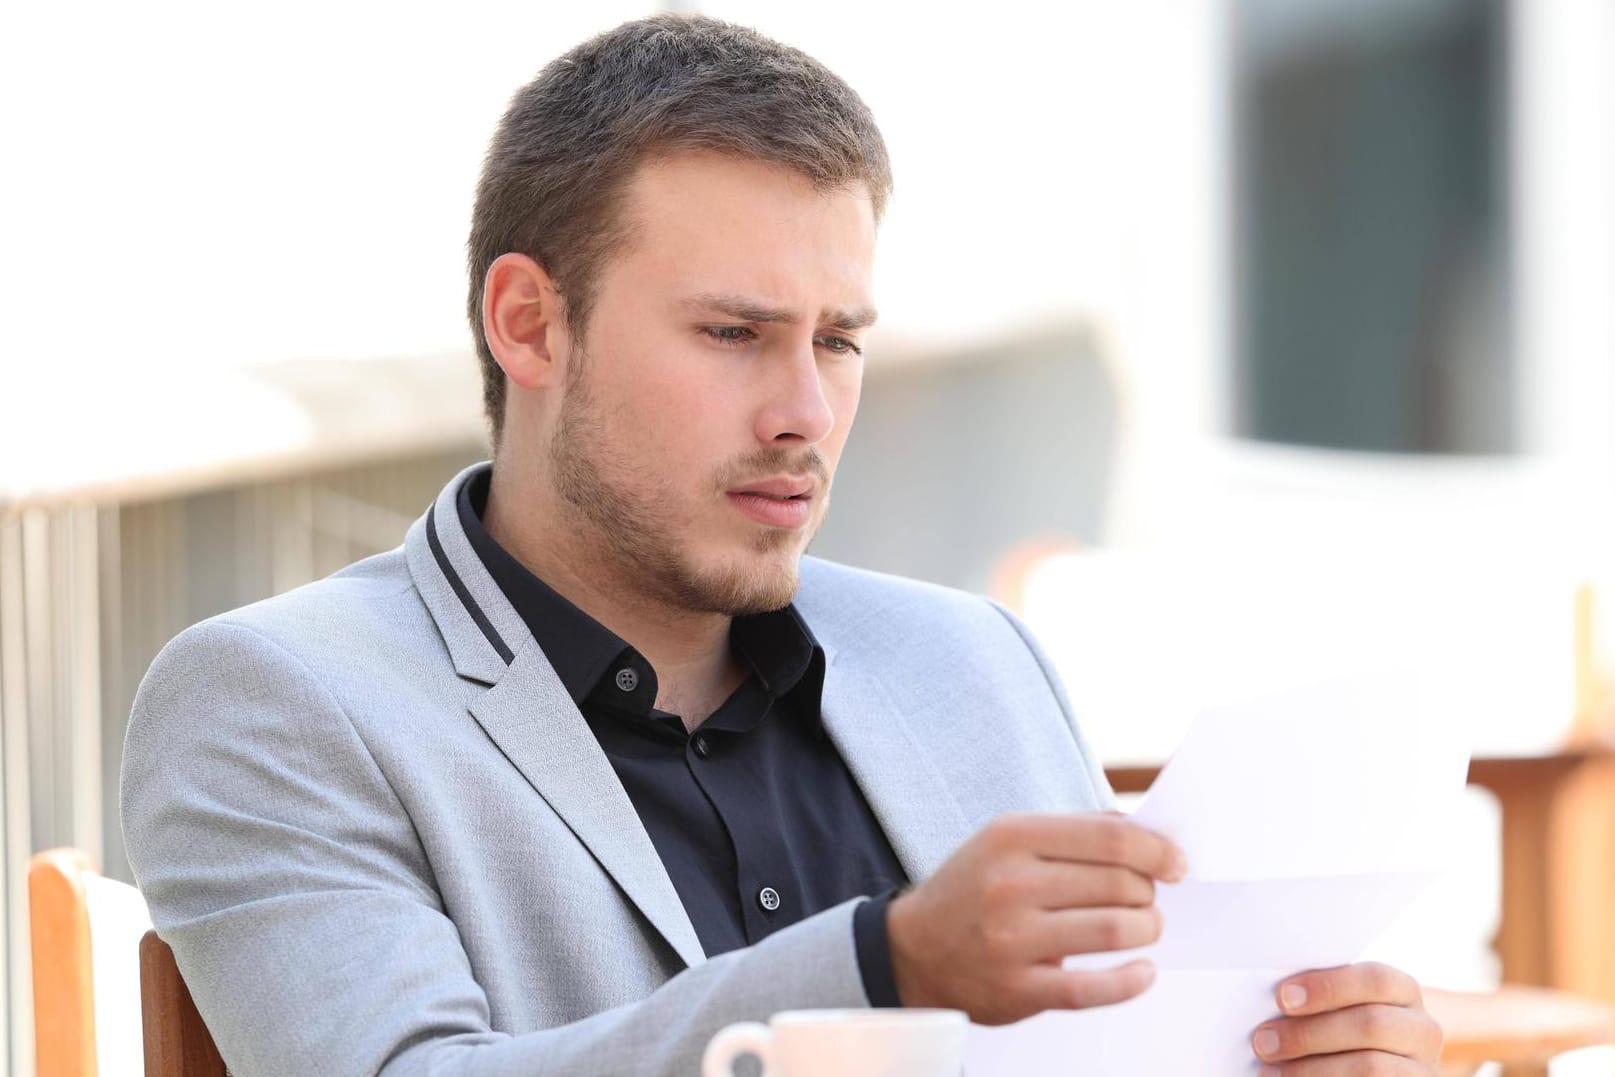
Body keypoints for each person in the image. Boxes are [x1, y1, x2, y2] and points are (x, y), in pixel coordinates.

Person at [121, 14, 1443, 1075]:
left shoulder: (974, 660)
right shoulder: (276, 701)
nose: (807, 412)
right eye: (733, 334)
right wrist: (881, 971)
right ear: (529, 324)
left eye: (838, 340)